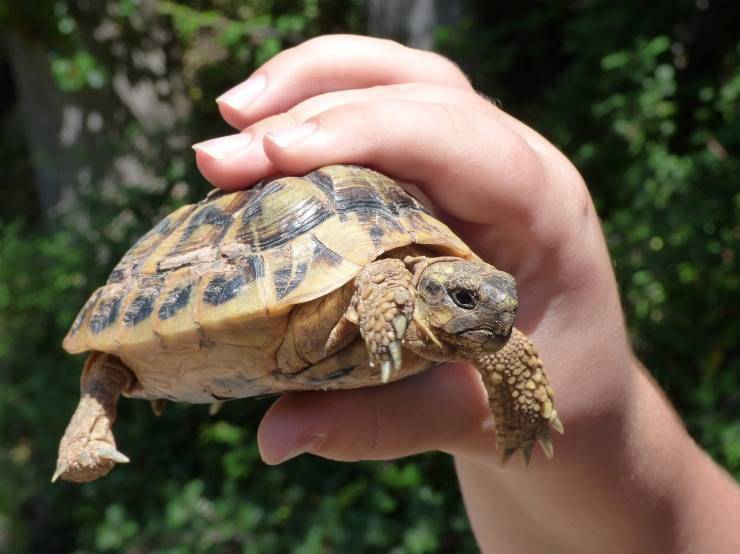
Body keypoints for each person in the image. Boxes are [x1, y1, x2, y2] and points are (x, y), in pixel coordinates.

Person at [192, 35, 740, 553]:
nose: (501, 314)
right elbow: (382, 275)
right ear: (429, 286)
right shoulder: (391, 281)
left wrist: (589, 426)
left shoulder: (485, 331)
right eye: (467, 299)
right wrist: (383, 318)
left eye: (502, 300)